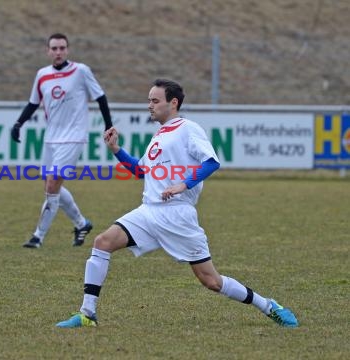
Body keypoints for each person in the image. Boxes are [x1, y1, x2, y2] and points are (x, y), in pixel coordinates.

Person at [56, 79, 299, 328]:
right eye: (149, 100)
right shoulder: (160, 135)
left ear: (173, 103)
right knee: (102, 242)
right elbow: (140, 171)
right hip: (148, 211)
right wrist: (116, 150)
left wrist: (183, 184)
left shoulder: (188, 128)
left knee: (211, 281)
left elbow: (211, 162)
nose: (149, 105)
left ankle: (268, 305)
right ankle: (88, 314)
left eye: (155, 100)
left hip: (177, 215)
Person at [11, 33, 113, 248]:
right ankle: (82, 223)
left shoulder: (80, 71)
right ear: (48, 51)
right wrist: (18, 124)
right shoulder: (42, 75)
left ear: (67, 50)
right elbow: (33, 103)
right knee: (51, 187)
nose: (58, 52)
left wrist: (108, 124)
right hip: (51, 138)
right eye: (54, 48)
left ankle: (38, 237)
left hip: (74, 137)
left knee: (52, 183)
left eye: (62, 48)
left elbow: (100, 96)